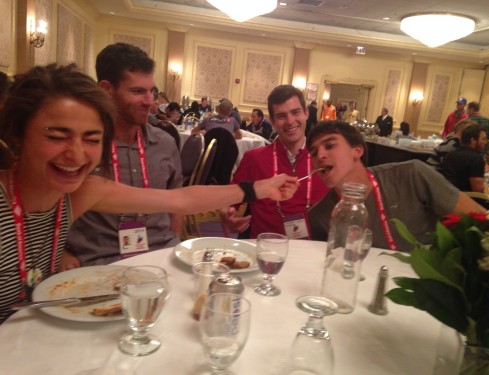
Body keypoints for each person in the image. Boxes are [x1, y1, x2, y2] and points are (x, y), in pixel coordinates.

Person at [0, 63, 298, 324]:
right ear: (17, 133)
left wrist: (261, 188)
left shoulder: (81, 193)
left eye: (91, 139)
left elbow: (180, 199)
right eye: (56, 136)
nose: (76, 154)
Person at [60, 43, 183, 270]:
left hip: (160, 256)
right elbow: (47, 203)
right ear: (106, 89)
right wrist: (61, 251)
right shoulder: (83, 146)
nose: (150, 102)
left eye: (151, 91)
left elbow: (177, 200)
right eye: (137, 91)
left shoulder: (165, 144)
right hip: (97, 262)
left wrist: (174, 240)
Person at [306, 120, 484, 252]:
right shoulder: (320, 217)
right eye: (313, 152)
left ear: (357, 151)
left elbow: (484, 221)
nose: (320, 154)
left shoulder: (412, 175)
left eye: (330, 145)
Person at [221, 85, 329, 239]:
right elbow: (228, 202)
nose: (290, 121)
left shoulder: (325, 161)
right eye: (281, 116)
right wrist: (228, 216)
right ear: (272, 121)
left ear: (306, 113)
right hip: (265, 253)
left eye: (295, 112)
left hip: (313, 254)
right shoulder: (254, 159)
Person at [441, 123, 489, 192]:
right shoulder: (476, 159)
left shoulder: (450, 154)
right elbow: (478, 190)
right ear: (473, 140)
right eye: (483, 139)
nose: (485, 142)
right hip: (467, 199)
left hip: (448, 196)